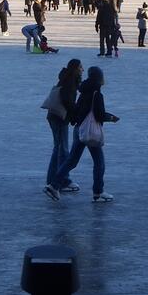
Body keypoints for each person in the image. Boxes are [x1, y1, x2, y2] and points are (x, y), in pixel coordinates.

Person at [51, 66, 118, 203]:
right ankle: (98, 192)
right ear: (99, 78)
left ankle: (53, 185)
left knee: (72, 160)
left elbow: (77, 109)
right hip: (90, 132)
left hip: (79, 129)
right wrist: (111, 118)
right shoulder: (97, 94)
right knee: (99, 163)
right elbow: (99, 115)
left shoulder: (84, 91)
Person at [41, 59, 83, 200]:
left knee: (59, 148)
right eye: (80, 67)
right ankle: (58, 181)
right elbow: (68, 102)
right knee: (61, 149)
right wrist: (75, 115)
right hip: (59, 118)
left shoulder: (67, 79)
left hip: (55, 116)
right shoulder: (69, 82)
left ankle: (58, 179)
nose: (82, 70)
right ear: (75, 68)